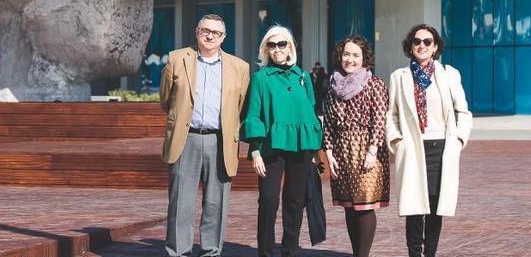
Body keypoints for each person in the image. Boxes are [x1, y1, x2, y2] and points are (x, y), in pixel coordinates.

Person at [160, 14, 251, 257]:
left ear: (224, 38)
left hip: (220, 141)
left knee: (215, 203)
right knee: (181, 203)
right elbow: (166, 99)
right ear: (196, 31)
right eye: (205, 31)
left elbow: (241, 107)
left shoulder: (240, 67)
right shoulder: (177, 59)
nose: (210, 36)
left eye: (216, 33)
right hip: (186, 138)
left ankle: (211, 252)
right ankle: (178, 252)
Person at [386, 23, 472, 257]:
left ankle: (430, 253)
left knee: (435, 209)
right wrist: (396, 142)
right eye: (417, 41)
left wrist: (459, 139)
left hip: (441, 148)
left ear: (435, 47)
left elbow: (462, 111)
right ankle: (414, 254)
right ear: (410, 46)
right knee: (414, 209)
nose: (421, 45)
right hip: (413, 148)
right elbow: (391, 113)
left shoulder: (448, 74)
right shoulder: (399, 77)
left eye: (427, 42)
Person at [242, 25, 322, 257]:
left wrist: (316, 150)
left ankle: (289, 251)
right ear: (265, 49)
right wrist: (255, 151)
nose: (277, 49)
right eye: (272, 45)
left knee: (295, 201)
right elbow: (253, 114)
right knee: (268, 201)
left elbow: (311, 112)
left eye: (282, 44)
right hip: (271, 146)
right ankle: (265, 252)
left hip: (301, 147)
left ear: (290, 47)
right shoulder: (260, 78)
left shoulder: (303, 77)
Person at [323, 35, 389, 257]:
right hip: (341, 152)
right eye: (346, 54)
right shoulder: (332, 84)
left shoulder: (374, 84)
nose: (350, 60)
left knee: (364, 206)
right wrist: (329, 153)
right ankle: (355, 253)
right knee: (349, 207)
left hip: (366, 152)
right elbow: (329, 123)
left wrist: (372, 151)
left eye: (355, 55)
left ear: (364, 58)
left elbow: (380, 119)